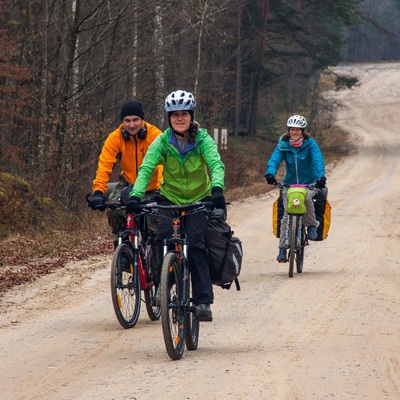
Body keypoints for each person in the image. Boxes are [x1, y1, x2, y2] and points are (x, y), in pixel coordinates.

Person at [126, 90, 226, 322]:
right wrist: (136, 195)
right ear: (169, 118)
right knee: (161, 238)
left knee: (197, 245)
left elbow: (215, 164)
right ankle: (162, 286)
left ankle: (203, 301)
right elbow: (147, 169)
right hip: (170, 197)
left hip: (198, 198)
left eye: (184, 114)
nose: (179, 118)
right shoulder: (161, 142)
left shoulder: (203, 139)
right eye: (174, 115)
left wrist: (217, 189)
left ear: (191, 116)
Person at [89, 99, 163, 249]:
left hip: (153, 186)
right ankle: (122, 248)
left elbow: (163, 165)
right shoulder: (115, 138)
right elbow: (105, 165)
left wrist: (162, 188)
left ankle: (155, 251)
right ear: (122, 122)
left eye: (135, 120)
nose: (131, 124)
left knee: (155, 218)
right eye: (127, 120)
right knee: (114, 210)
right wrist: (98, 191)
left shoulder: (155, 135)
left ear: (142, 120)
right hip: (129, 184)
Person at [265, 114, 326, 262]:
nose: (295, 132)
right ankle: (282, 249)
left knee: (306, 198)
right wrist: (270, 173)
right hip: (290, 183)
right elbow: (275, 159)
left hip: (310, 182)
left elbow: (318, 160)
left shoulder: (310, 144)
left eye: (298, 130)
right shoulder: (283, 144)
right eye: (292, 129)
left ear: (303, 131)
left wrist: (321, 177)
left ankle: (312, 225)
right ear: (288, 130)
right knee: (286, 212)